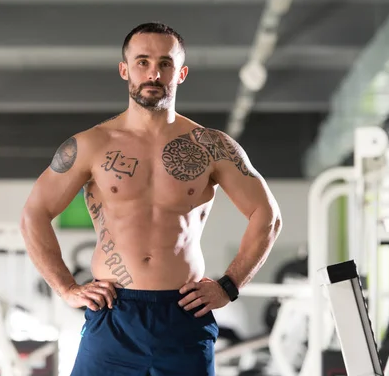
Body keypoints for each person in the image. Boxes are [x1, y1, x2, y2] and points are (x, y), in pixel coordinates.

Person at [20, 22, 283, 376]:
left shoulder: (211, 146)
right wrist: (66, 288)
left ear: (181, 72)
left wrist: (229, 285)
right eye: (142, 62)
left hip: (184, 312)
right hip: (114, 313)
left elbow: (267, 215)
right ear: (124, 69)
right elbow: (34, 213)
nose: (154, 72)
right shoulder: (92, 145)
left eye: (166, 63)